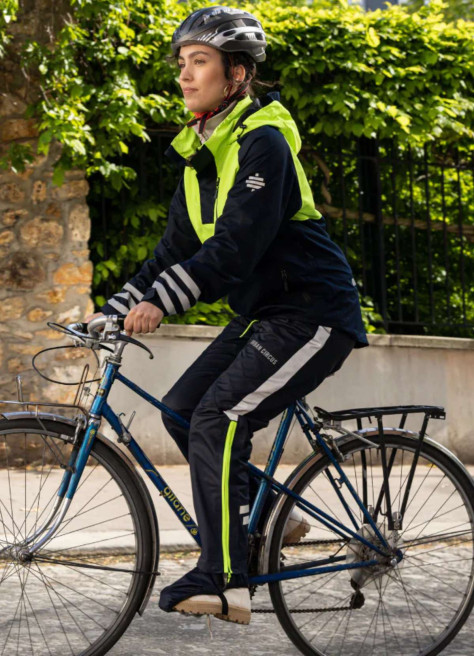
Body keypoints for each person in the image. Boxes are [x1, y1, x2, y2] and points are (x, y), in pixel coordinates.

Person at [88, 6, 368, 625]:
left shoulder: (261, 141)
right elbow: (173, 251)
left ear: (237, 74)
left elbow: (237, 245)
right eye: (182, 64)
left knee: (217, 416)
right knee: (183, 410)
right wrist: (110, 311)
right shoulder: (201, 156)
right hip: (265, 315)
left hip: (311, 312)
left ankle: (224, 578)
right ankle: (264, 518)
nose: (186, 76)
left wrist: (164, 300)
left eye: (201, 63)